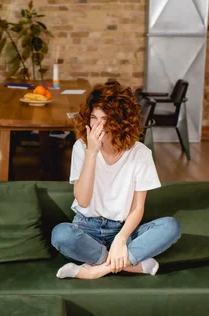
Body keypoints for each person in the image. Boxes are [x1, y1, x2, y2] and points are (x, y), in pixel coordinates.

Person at [51, 81, 181, 280]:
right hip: (86, 227)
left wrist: (121, 239)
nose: (98, 125)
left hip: (123, 229)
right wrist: (92, 154)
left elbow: (137, 208)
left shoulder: (140, 154)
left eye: (106, 119)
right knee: (61, 234)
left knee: (171, 227)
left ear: (121, 121)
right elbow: (83, 201)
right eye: (94, 118)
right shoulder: (81, 147)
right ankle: (131, 265)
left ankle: (96, 270)